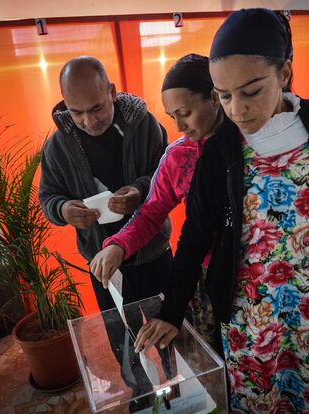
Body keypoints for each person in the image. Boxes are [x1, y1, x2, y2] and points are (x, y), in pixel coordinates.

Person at [134, 9, 309, 413]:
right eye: (224, 96)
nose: (236, 110)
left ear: (284, 73)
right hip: (250, 312)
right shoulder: (220, 151)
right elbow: (196, 233)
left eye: (251, 91)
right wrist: (172, 311)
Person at [38, 56, 172, 408]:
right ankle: (140, 394)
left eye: (97, 108)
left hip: (154, 251)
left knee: (170, 323)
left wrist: (138, 190)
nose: (88, 120)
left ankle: (177, 383)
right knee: (121, 334)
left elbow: (166, 177)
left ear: (112, 92)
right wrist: (64, 210)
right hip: (101, 262)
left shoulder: (145, 126)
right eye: (76, 112)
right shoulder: (57, 146)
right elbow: (48, 198)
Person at [90, 54, 225, 350]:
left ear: (215, 98)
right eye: (172, 116)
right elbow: (151, 213)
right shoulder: (179, 156)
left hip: (257, 275)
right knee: (210, 356)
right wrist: (118, 245)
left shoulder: (248, 145)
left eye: (185, 113)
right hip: (202, 275)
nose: (179, 126)